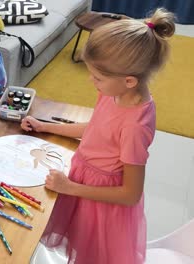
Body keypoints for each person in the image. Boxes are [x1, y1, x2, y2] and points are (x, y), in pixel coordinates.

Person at [21, 8, 175, 264]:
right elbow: (96, 129)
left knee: (93, 255)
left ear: (129, 81)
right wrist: (45, 126)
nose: (92, 81)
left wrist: (70, 187)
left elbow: (131, 194)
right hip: (83, 185)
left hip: (102, 204)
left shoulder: (136, 125)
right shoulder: (113, 92)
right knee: (78, 245)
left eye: (98, 77)